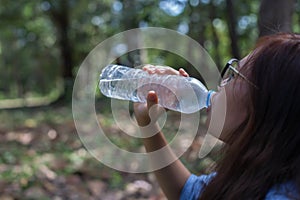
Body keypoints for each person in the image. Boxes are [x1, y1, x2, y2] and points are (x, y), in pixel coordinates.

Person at [133, 33, 300, 200]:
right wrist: (148, 124)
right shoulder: (257, 175)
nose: (222, 83)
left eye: (234, 75)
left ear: (270, 105)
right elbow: (188, 192)